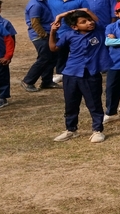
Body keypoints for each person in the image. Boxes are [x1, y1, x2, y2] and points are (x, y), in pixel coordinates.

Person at [48, 8, 110, 143]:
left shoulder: (99, 31)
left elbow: (88, 11)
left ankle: (97, 130)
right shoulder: (69, 35)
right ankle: (71, 130)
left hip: (91, 74)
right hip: (71, 73)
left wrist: (61, 15)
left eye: (89, 20)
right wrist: (53, 31)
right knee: (71, 103)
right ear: (74, 27)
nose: (89, 23)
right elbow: (53, 48)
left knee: (94, 103)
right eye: (84, 22)